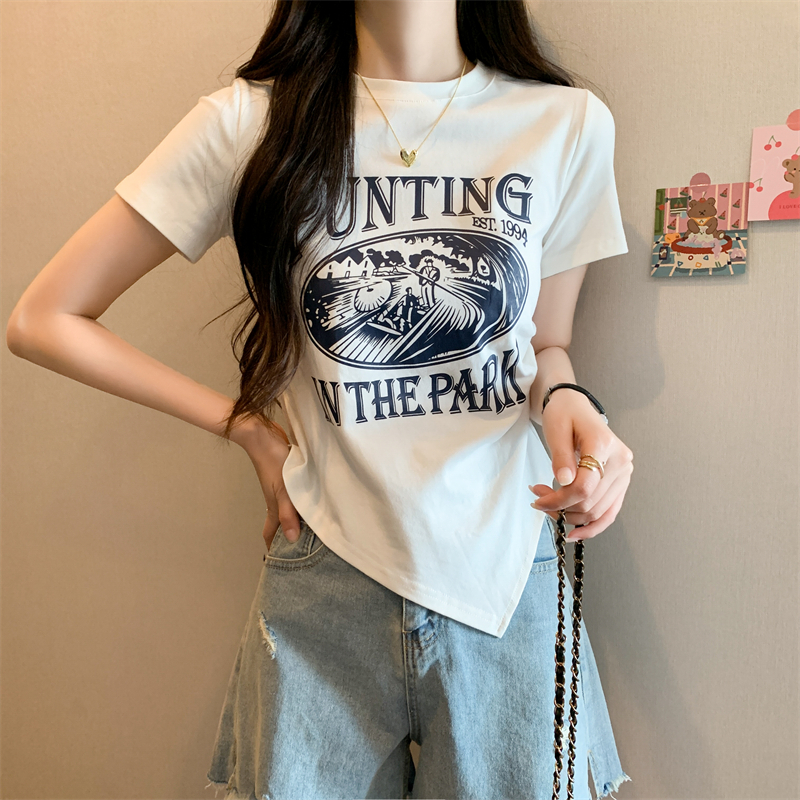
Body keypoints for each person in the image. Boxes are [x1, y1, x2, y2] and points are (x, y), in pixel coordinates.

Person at [5, 1, 635, 798]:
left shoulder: (566, 123)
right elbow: (43, 320)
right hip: (326, 564)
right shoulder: (249, 122)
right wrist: (246, 428)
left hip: (507, 566)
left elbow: (543, 346)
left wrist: (573, 404)